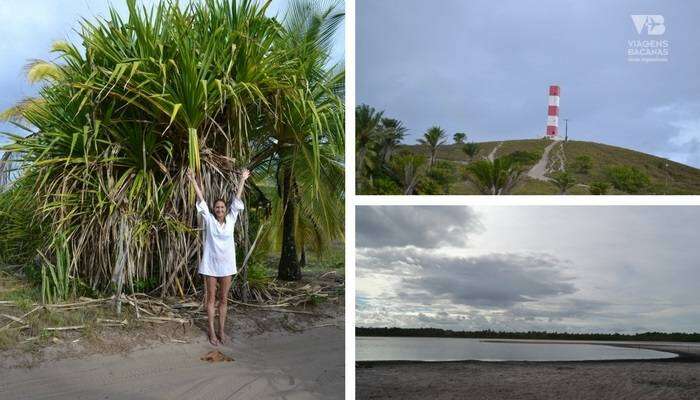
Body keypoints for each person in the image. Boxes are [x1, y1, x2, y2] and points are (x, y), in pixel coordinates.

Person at [186, 168, 250, 346]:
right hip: (210, 265)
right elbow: (201, 200)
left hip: (227, 266)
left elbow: (237, 199)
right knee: (211, 299)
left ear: (225, 209)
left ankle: (222, 331)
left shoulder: (231, 219)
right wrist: (192, 180)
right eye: (217, 207)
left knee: (224, 300)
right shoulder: (210, 221)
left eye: (222, 207)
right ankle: (212, 333)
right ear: (214, 210)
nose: (220, 209)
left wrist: (243, 179)